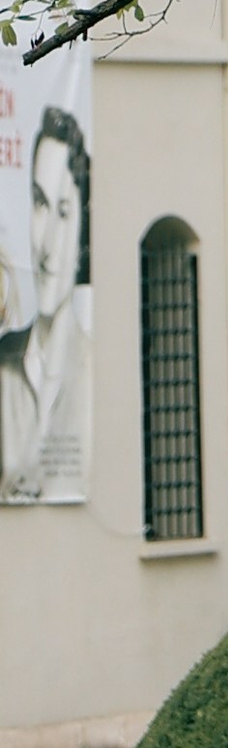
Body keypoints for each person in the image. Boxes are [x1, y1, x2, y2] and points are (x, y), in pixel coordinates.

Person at [0, 104, 92, 505]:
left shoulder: (93, 370)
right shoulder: (3, 361)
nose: (49, 242)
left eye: (64, 212)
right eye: (40, 203)